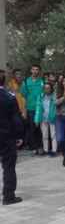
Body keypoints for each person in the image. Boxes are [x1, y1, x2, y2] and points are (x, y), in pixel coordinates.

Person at [0, 70, 24, 205]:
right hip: (7, 136)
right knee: (8, 166)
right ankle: (8, 196)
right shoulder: (9, 97)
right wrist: (19, 135)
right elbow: (16, 119)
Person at [21, 64, 44, 153]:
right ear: (31, 70)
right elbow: (24, 96)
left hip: (40, 108)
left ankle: (41, 147)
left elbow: (44, 94)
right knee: (32, 128)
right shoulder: (26, 82)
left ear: (39, 71)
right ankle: (34, 147)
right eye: (33, 69)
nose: (35, 71)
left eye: (37, 69)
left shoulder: (41, 81)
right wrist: (24, 111)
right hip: (30, 108)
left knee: (40, 128)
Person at [35, 83, 57, 157]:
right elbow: (38, 108)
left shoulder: (54, 96)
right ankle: (45, 150)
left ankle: (54, 150)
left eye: (48, 88)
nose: (46, 89)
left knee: (53, 135)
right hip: (43, 118)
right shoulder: (41, 96)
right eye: (45, 88)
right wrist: (37, 119)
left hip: (52, 118)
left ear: (51, 89)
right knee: (44, 135)